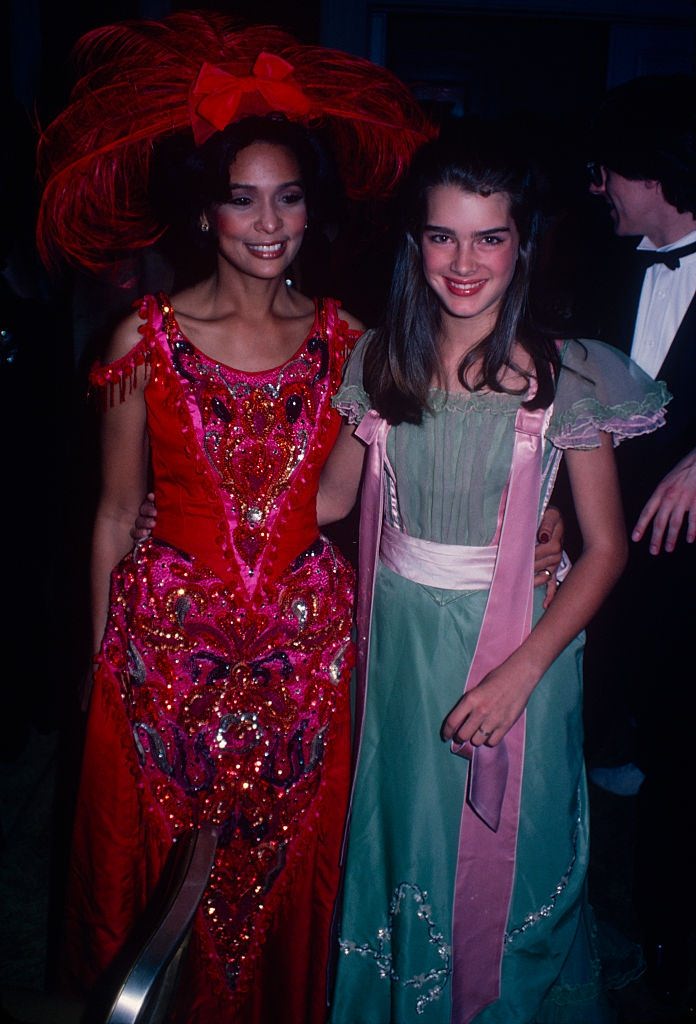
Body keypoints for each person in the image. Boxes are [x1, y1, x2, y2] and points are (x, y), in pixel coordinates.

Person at [34, 11, 435, 1023]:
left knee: (291, 889)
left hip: (309, 661)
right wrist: (97, 670)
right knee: (163, 885)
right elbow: (117, 509)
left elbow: (395, 482)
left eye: (288, 199)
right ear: (204, 215)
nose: (269, 224)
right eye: (243, 202)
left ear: (311, 211)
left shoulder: (350, 336)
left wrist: (545, 528)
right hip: (166, 660)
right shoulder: (146, 336)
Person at [316, 125, 670, 1024]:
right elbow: (324, 503)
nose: (463, 261)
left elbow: (607, 547)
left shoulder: (564, 377)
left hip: (519, 651)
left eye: (489, 236)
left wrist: (518, 675)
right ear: (414, 244)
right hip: (401, 650)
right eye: (442, 235)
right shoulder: (376, 361)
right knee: (409, 837)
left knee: (511, 847)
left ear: (523, 242)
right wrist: (193, 502)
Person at [575, 73, 696, 1008]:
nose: (597, 188)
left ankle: (669, 951)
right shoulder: (597, 265)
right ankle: (600, 926)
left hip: (692, 581)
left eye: (608, 171)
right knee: (598, 746)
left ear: (652, 173)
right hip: (606, 560)